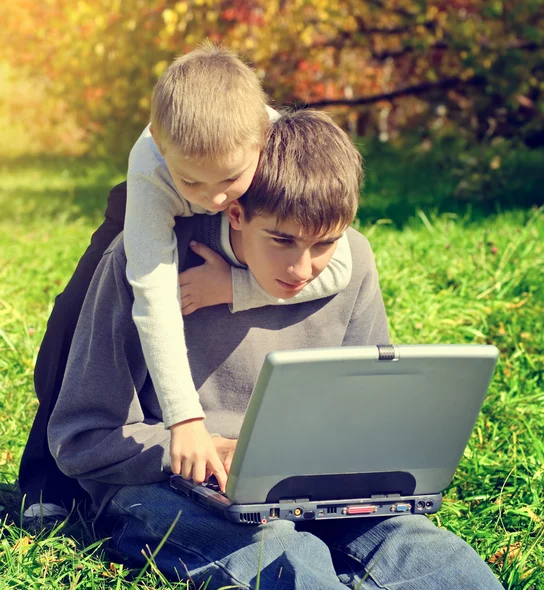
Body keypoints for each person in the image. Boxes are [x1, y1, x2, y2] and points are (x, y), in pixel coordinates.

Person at [47, 110, 510, 590]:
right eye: (283, 240)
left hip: (311, 488)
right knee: (274, 551)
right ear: (237, 213)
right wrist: (211, 449)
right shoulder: (145, 265)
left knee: (419, 547)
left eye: (325, 243)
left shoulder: (352, 263)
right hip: (164, 488)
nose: (303, 268)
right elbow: (83, 437)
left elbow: (362, 411)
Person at [18, 42, 352, 517]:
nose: (214, 198)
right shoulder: (154, 168)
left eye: (229, 180)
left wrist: (234, 289)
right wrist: (186, 418)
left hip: (246, 209)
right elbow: (153, 300)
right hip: (145, 213)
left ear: (262, 135)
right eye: (193, 181)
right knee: (72, 320)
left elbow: (342, 264)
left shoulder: (276, 141)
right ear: (158, 138)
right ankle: (47, 482)